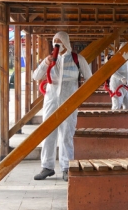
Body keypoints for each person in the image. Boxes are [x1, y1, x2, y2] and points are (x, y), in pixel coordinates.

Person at [32, 31, 92, 182]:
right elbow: (36, 77)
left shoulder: (77, 59)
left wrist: (79, 97)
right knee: (48, 133)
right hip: (51, 101)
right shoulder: (51, 59)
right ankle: (47, 167)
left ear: (66, 42)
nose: (56, 44)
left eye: (60, 42)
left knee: (66, 134)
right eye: (55, 42)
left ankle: (66, 167)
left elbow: (90, 79)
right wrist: (44, 64)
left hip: (69, 102)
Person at [109, 45, 128, 111]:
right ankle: (114, 120)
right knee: (117, 105)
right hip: (117, 86)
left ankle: (126, 120)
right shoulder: (116, 60)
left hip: (126, 87)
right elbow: (112, 71)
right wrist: (121, 78)